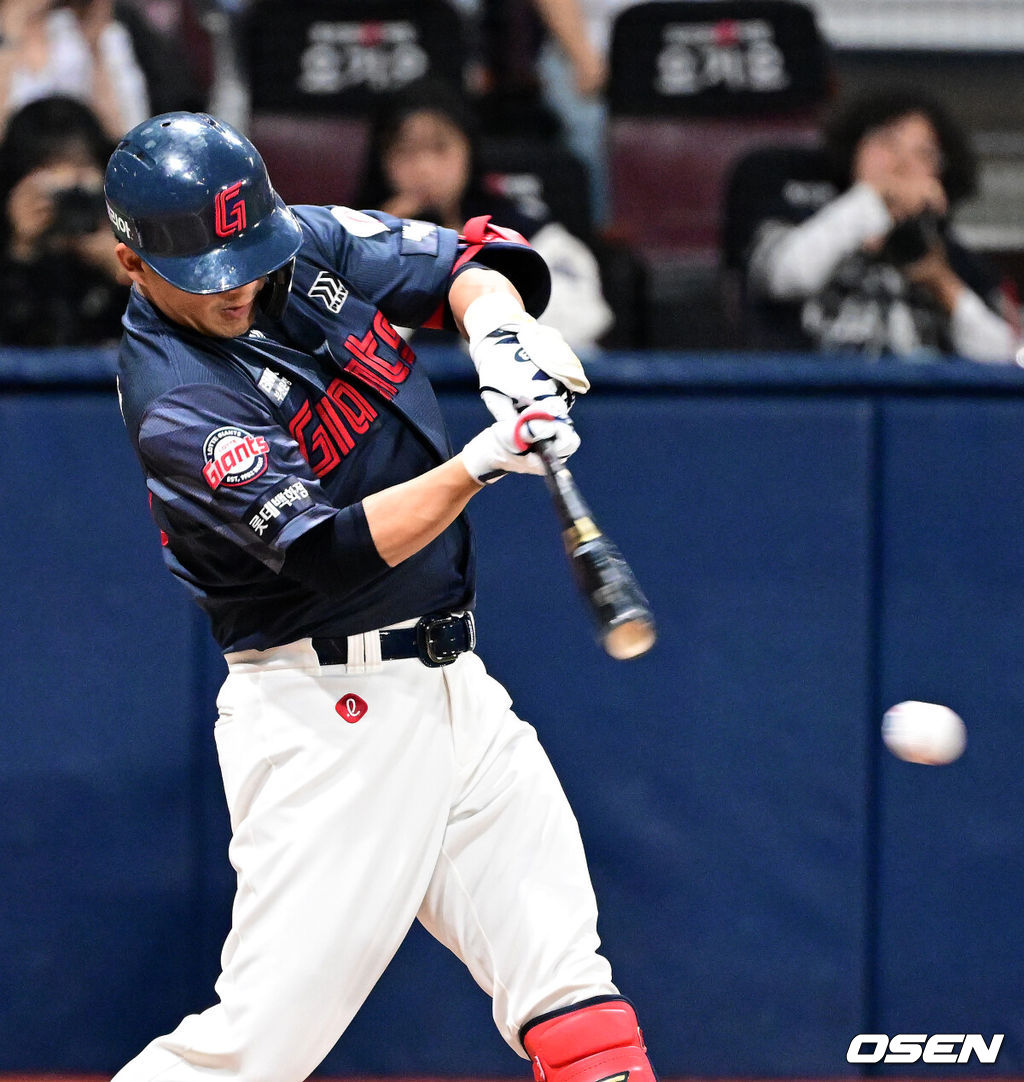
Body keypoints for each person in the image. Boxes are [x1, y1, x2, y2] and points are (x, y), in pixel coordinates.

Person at [103, 110, 658, 1082]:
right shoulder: (180, 395)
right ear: (131, 263)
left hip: (455, 688)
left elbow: (470, 258)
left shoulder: (289, 245)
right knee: (251, 1053)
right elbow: (324, 549)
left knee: (572, 993)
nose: (236, 283)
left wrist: (499, 336)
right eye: (207, 269)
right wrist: (486, 460)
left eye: (247, 251)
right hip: (330, 718)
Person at [723, 87, 1020, 362]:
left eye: (923, 153)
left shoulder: (949, 255)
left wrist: (943, 286)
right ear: (855, 147)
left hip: (914, 405)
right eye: (887, 143)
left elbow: (1010, 358)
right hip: (806, 399)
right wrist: (874, 197)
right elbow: (787, 277)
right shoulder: (800, 214)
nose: (902, 163)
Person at [358, 76, 614, 349]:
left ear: (468, 149)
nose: (424, 168)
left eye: (439, 148)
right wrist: (382, 255)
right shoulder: (351, 239)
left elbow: (586, 318)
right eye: (405, 152)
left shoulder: (519, 231)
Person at [0, 94, 128, 345]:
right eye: (48, 172)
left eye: (81, 169)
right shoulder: (10, 251)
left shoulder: (132, 246)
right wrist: (21, 253)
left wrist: (127, 278)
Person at [0, 0, 150, 140]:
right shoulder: (8, 37)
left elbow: (126, 133)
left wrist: (96, 50)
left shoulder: (99, 32)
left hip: (85, 155)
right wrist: (10, 34)